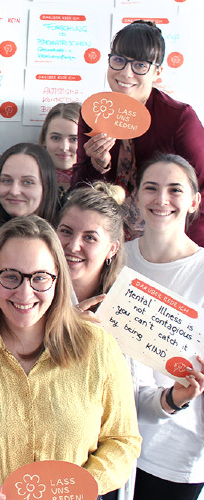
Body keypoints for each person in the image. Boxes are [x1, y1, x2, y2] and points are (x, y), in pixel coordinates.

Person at [0, 215, 141, 500]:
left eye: (40, 278)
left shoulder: (97, 346)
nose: (24, 292)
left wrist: (83, 487)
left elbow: (123, 440)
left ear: (57, 279)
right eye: (10, 276)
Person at [72, 20, 204, 245]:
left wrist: (185, 250)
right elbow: (81, 193)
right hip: (110, 242)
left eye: (140, 65)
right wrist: (98, 165)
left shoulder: (179, 118)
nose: (126, 72)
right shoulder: (94, 112)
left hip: (171, 242)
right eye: (118, 60)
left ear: (157, 71)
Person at [125, 154, 204, 500]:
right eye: (151, 188)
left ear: (194, 201)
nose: (161, 200)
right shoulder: (113, 258)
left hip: (176, 452)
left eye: (175, 190)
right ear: (136, 197)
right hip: (109, 441)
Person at [56, 182, 125, 307]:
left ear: (112, 249)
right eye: (66, 231)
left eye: (89, 238)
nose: (73, 246)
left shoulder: (125, 303)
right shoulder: (33, 289)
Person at [0, 142, 60, 241]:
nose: (14, 191)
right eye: (7, 180)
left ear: (46, 187)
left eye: (28, 182)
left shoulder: (63, 243)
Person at [39, 102, 81, 199]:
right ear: (44, 140)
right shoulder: (28, 178)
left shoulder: (97, 184)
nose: (64, 147)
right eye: (56, 138)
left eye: (74, 139)